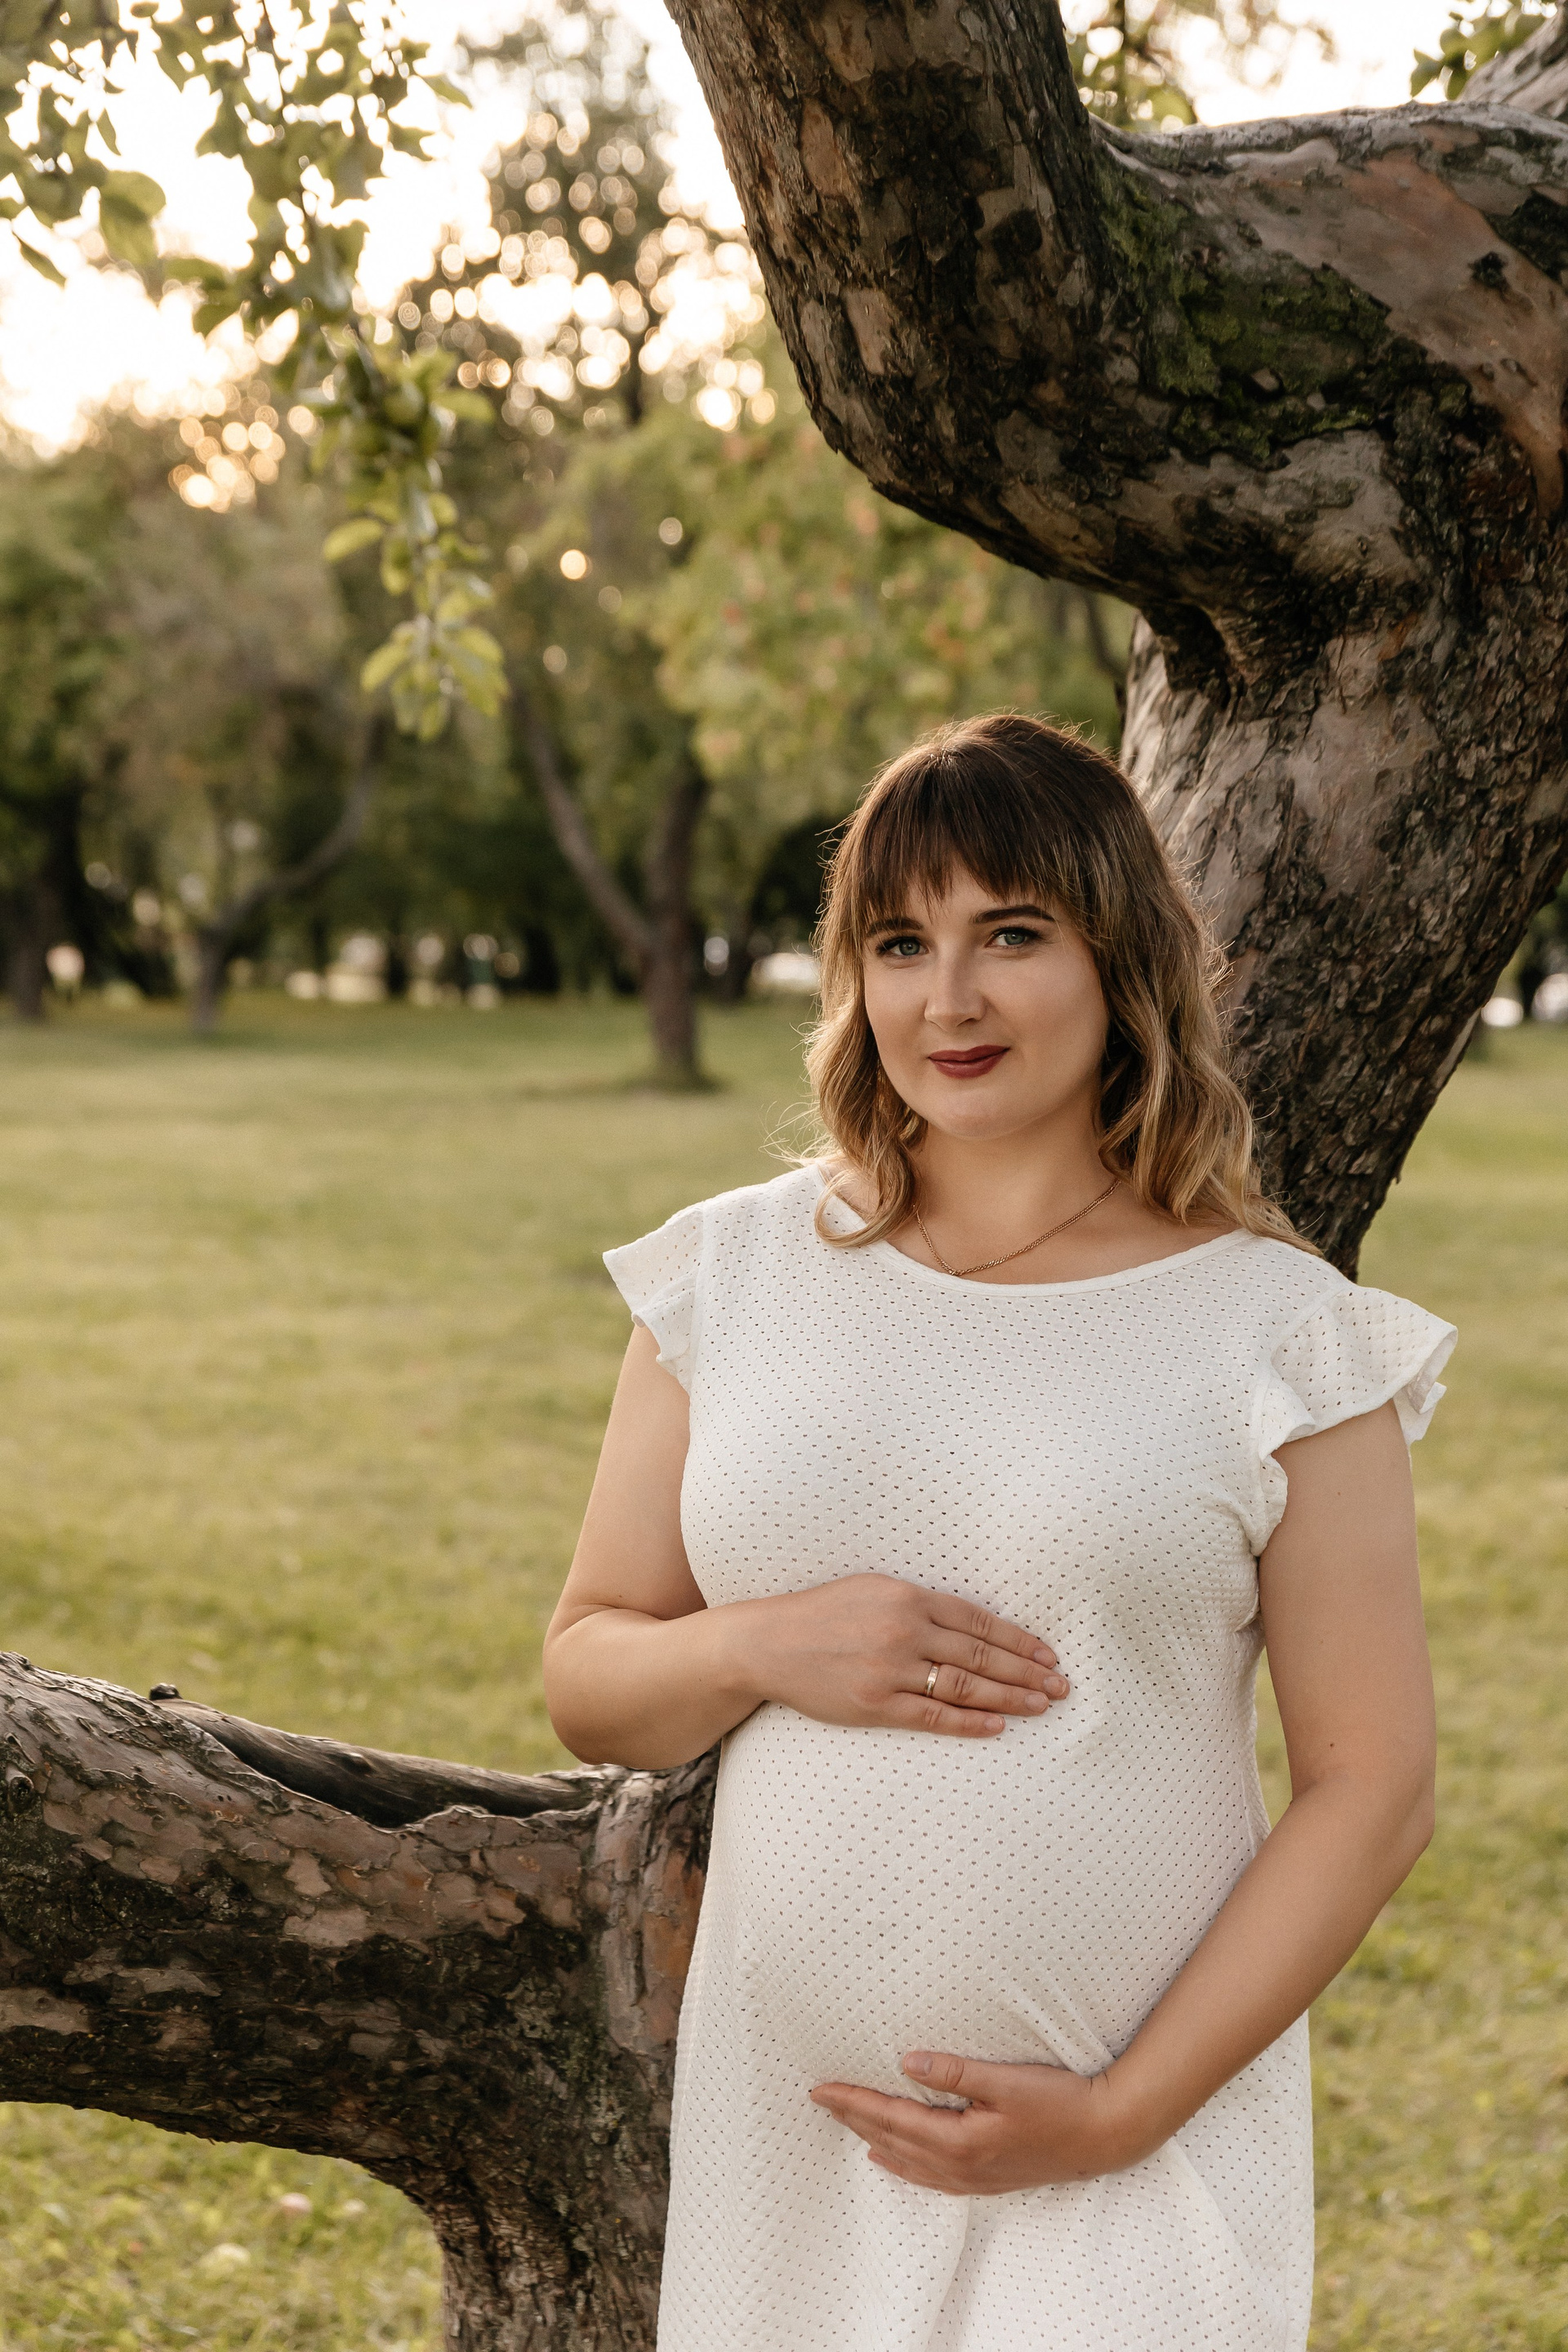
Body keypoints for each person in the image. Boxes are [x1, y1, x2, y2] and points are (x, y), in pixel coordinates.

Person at [542, 714, 1454, 2352]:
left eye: (1011, 935)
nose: (947, 999)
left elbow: (1374, 1788)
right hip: (791, 2151)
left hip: (1131, 2164)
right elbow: (589, 1674)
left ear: (1121, 960)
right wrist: (765, 1646)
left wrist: (1119, 2113)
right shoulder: (730, 1278)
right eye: (901, 944)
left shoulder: (1281, 1337)